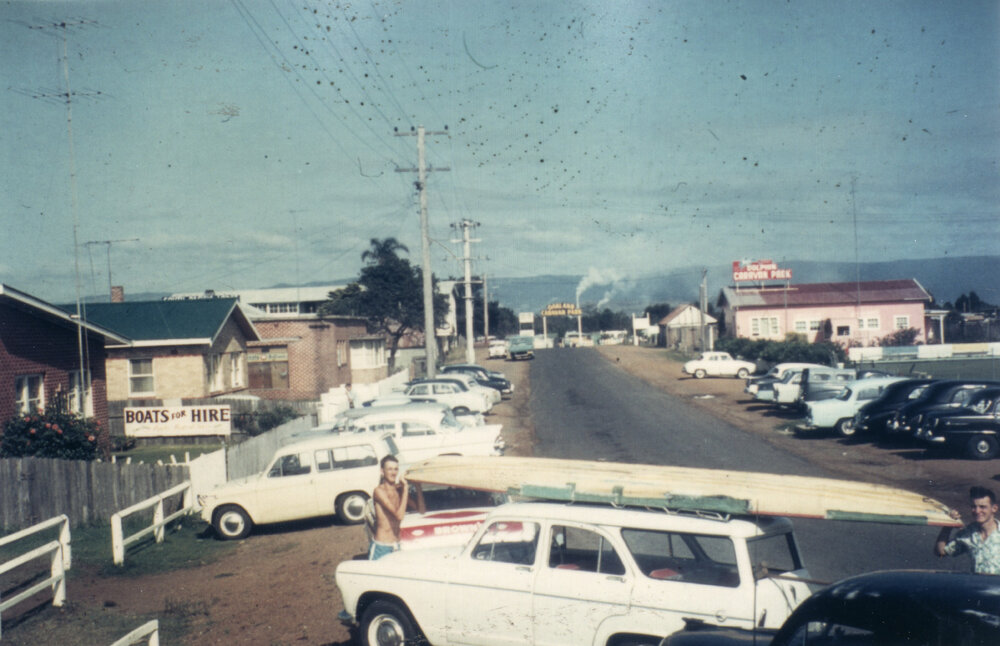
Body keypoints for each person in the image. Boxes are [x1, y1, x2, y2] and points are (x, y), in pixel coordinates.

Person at [935, 486, 1000, 574]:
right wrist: (948, 523)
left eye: (982, 507)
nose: (977, 511)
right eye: (974, 506)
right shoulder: (968, 533)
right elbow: (941, 552)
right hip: (978, 585)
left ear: (994, 508)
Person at [369, 455, 411, 560]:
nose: (393, 472)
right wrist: (405, 489)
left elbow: (421, 509)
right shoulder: (379, 491)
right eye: (390, 469)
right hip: (382, 547)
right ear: (382, 471)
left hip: (397, 545)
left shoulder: (398, 490)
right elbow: (399, 516)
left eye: (396, 469)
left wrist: (417, 486)